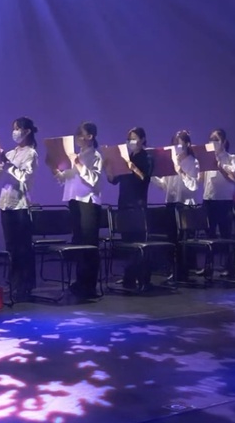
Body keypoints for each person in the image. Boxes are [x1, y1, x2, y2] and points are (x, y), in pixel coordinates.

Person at [0, 117, 38, 302]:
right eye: (13, 129)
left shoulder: (31, 153)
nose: (14, 133)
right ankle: (14, 283)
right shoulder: (11, 153)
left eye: (17, 129)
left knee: (23, 248)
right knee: (11, 247)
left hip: (21, 204)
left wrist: (7, 163)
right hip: (6, 203)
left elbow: (24, 178)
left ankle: (24, 285)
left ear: (27, 131)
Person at [55, 122, 102, 298]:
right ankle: (80, 282)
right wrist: (58, 171)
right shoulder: (78, 155)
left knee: (89, 244)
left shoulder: (95, 155)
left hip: (88, 202)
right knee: (79, 242)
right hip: (74, 200)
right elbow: (69, 177)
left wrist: (78, 163)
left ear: (90, 136)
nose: (77, 138)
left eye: (80, 134)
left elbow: (93, 179)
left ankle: (90, 285)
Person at [107, 127, 154, 290]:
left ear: (142, 139)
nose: (131, 142)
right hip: (124, 203)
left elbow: (144, 178)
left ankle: (142, 278)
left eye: (134, 138)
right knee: (127, 244)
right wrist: (109, 167)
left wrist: (131, 166)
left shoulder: (146, 157)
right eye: (129, 139)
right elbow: (114, 180)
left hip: (138, 205)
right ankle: (129, 277)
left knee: (138, 243)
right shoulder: (126, 158)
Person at [152, 130, 200, 282]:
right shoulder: (170, 161)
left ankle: (183, 272)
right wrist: (152, 175)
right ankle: (173, 271)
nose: (177, 147)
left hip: (185, 205)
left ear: (187, 144)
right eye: (174, 144)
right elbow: (164, 185)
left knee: (183, 241)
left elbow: (193, 187)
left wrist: (182, 172)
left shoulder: (193, 162)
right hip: (171, 204)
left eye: (179, 144)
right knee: (172, 239)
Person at [201, 128, 235, 277]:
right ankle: (208, 266)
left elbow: (234, 179)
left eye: (216, 139)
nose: (213, 142)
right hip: (208, 200)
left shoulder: (232, 158)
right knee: (209, 235)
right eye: (211, 139)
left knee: (226, 235)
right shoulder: (207, 158)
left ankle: (229, 267)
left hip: (224, 201)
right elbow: (201, 179)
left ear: (223, 142)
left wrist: (220, 167)